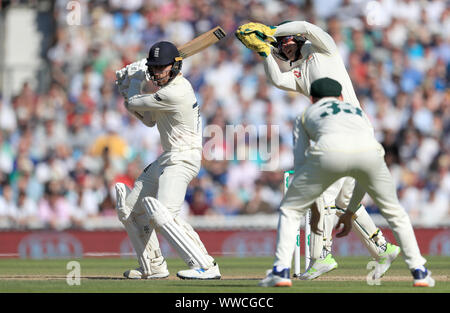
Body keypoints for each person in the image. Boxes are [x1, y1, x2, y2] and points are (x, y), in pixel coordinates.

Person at [236, 21, 400, 280]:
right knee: (344, 201)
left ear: (297, 39)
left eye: (287, 41)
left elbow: (306, 26)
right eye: (281, 46)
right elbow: (278, 79)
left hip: (349, 130)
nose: (285, 47)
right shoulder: (301, 73)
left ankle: (321, 256)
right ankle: (383, 248)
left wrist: (271, 31)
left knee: (322, 193)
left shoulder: (324, 49)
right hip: (344, 134)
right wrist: (265, 52)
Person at [259, 77, 435, 287]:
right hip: (371, 154)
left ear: (313, 99)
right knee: (393, 211)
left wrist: (312, 205)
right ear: (341, 97)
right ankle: (419, 270)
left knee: (290, 209)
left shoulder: (306, 114)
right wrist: (349, 212)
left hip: (331, 151)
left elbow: (300, 164)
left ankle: (283, 269)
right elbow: (366, 157)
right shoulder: (358, 112)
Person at [114, 41, 221, 280]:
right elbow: (149, 119)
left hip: (184, 157)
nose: (157, 72)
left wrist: (132, 82)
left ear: (174, 67)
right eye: (153, 67)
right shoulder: (164, 91)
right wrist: (132, 85)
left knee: (163, 214)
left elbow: (134, 103)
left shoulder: (177, 91)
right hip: (168, 156)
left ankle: (206, 265)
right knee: (129, 210)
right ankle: (153, 266)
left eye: (162, 67)